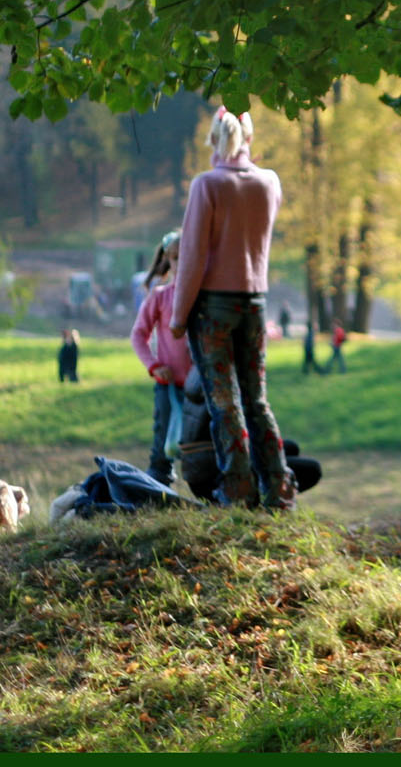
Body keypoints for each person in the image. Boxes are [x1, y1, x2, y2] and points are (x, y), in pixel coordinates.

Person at [170, 106, 295, 510]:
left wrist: (177, 315)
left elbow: (192, 257)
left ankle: (238, 491)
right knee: (257, 399)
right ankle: (279, 488)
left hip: (213, 309)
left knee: (224, 402)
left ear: (213, 140)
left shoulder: (207, 186)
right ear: (250, 138)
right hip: (255, 303)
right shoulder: (270, 183)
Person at [176, 370, 322, 503]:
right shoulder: (226, 381)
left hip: (197, 470)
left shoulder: (200, 371)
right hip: (216, 478)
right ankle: (257, 501)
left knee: (290, 447)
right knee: (313, 469)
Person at [132, 230, 193, 485]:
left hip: (200, 389)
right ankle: (159, 490)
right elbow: (138, 335)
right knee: (162, 449)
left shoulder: (204, 297)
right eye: (176, 258)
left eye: (188, 256)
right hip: (168, 387)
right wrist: (154, 366)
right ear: (169, 261)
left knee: (198, 447)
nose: (182, 263)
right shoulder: (160, 297)